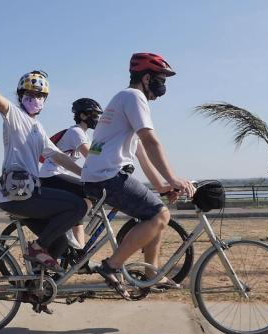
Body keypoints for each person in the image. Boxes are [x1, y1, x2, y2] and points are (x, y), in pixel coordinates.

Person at [0, 53, 87, 274]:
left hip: (29, 193)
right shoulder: (14, 116)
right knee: (77, 206)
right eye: (29, 94)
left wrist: (86, 173)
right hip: (18, 196)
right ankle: (37, 248)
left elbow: (57, 155)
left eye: (40, 95)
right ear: (21, 95)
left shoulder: (37, 127)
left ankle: (36, 287)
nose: (35, 99)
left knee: (61, 242)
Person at [81, 52, 196, 298]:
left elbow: (142, 153)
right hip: (107, 176)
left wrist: (162, 185)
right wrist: (174, 178)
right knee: (160, 214)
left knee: (155, 216)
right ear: (146, 78)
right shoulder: (134, 97)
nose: (162, 86)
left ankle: (150, 273)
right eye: (160, 80)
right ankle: (111, 266)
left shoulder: (123, 99)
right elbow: (151, 141)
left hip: (101, 175)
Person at [39, 98, 103, 248]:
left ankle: (79, 251)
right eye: (94, 115)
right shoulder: (76, 132)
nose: (97, 119)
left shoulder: (83, 134)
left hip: (54, 174)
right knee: (91, 191)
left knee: (80, 204)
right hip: (50, 175)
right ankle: (64, 227)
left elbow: (97, 155)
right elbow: (91, 157)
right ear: (82, 116)